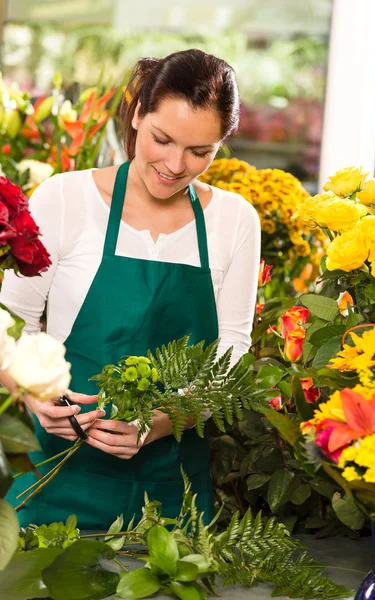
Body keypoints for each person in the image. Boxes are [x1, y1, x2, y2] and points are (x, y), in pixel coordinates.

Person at [0, 49, 260, 530]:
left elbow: (233, 351)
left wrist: (165, 420)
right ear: (137, 112)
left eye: (200, 152)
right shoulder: (64, 198)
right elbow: (7, 323)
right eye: (163, 139)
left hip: (171, 499)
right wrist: (29, 393)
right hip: (50, 484)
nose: (175, 164)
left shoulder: (234, 221)